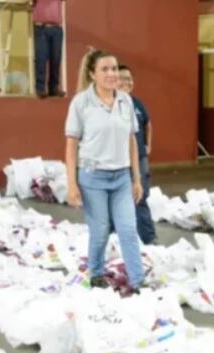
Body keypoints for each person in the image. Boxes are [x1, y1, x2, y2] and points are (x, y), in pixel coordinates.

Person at [64, 49, 144, 291]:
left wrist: (136, 179)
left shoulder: (125, 101)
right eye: (105, 69)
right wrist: (71, 184)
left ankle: (138, 281)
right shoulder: (81, 103)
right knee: (99, 231)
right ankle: (96, 273)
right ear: (92, 74)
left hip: (121, 177)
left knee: (128, 229)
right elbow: (71, 146)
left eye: (114, 69)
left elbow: (131, 141)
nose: (112, 74)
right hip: (92, 177)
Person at [118, 65, 156, 244]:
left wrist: (148, 145)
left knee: (140, 197)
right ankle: (116, 240)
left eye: (129, 79)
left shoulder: (137, 104)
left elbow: (148, 124)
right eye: (123, 78)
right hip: (117, 161)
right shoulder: (109, 104)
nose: (127, 82)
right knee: (116, 200)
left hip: (139, 158)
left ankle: (149, 238)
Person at [32, 0, 65, 98]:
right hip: (41, 28)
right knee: (41, 58)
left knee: (56, 59)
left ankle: (53, 87)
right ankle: (40, 88)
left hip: (57, 28)